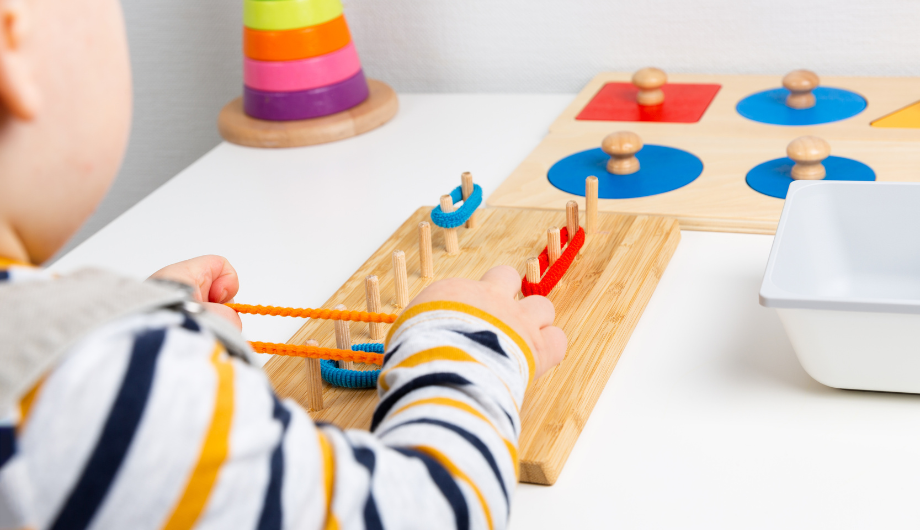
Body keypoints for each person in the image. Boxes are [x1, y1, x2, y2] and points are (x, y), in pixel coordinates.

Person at [0, 0, 567, 528]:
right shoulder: (88, 393)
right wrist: (474, 347)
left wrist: (147, 340)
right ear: (11, 51)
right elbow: (432, 508)